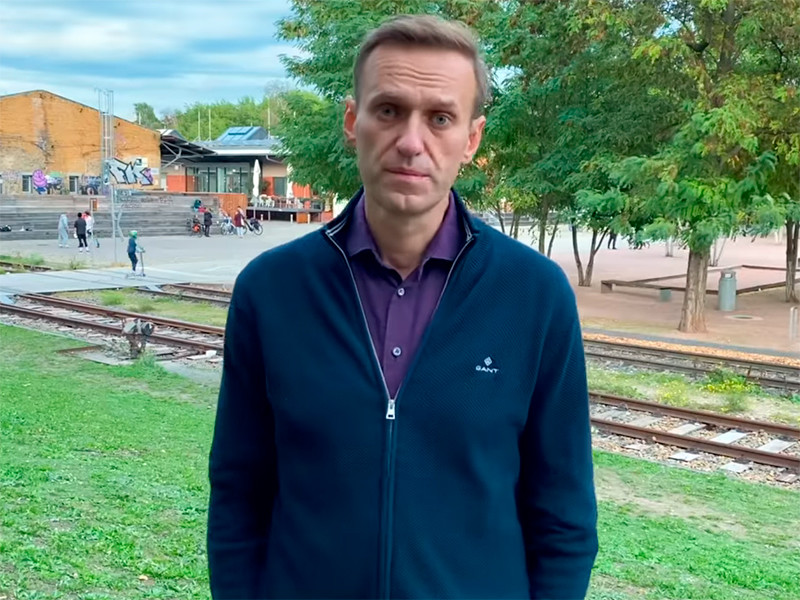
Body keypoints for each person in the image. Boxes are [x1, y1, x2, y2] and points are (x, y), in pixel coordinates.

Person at [208, 15, 597, 600]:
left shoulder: (535, 296)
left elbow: (563, 516)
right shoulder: (271, 290)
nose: (412, 142)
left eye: (440, 118)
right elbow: (239, 492)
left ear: (472, 139)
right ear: (352, 121)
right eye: (389, 110)